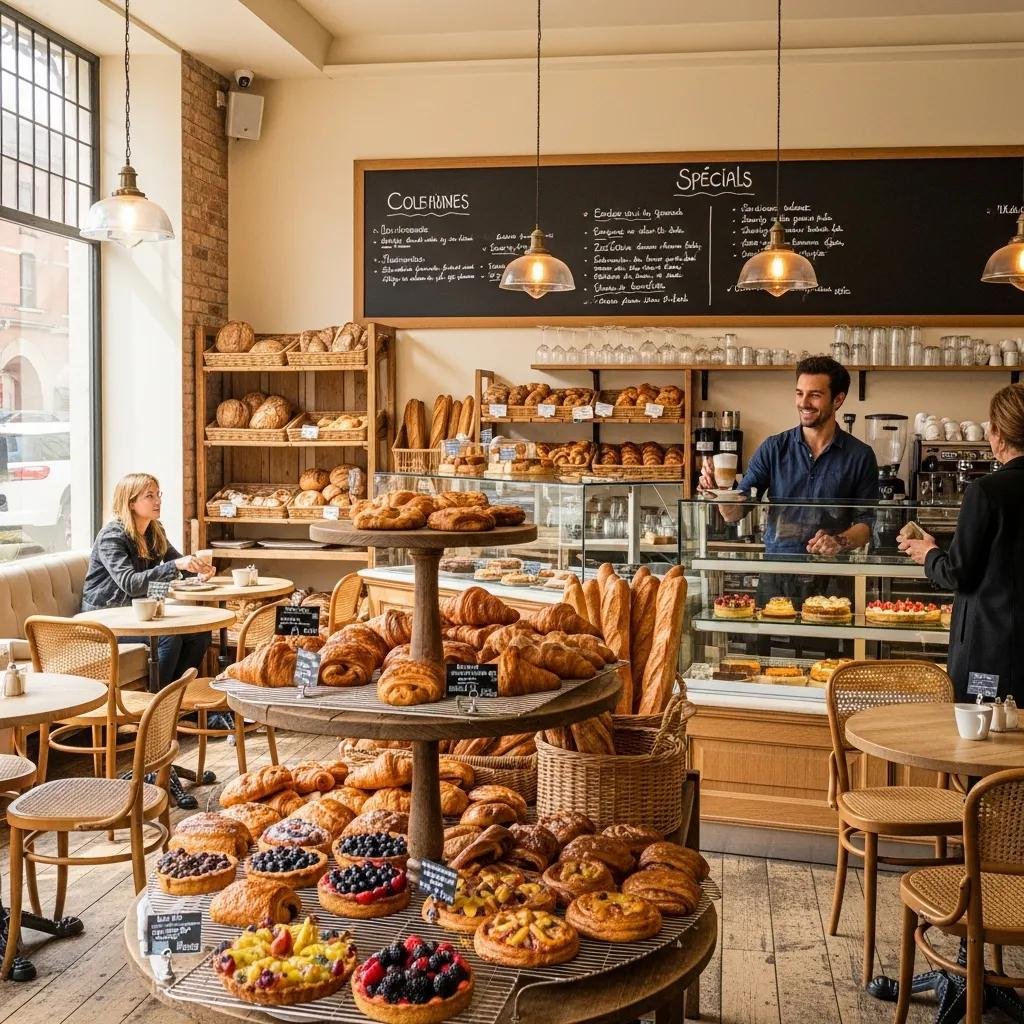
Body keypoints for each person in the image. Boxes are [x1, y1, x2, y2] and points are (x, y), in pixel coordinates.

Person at [699, 356, 880, 612]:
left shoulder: (860, 456)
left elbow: (867, 524)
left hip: (832, 582)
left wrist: (838, 541)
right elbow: (734, 513)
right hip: (776, 577)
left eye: (814, 395)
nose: (803, 403)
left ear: (838, 400)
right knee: (769, 651)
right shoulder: (773, 449)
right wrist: (719, 493)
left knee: (832, 653)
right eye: (799, 393)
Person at [899, 383, 1024, 701]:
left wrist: (928, 554)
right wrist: (938, 545)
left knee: (982, 742)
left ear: (995, 432)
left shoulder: (985, 491)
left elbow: (957, 574)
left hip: (992, 651)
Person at [82, 472, 215, 686]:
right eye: (150, 496)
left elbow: (178, 563)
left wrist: (200, 570)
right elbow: (131, 584)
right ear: (131, 502)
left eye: (158, 494)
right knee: (169, 639)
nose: (158, 501)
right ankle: (155, 708)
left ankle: (178, 702)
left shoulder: (154, 530)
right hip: (108, 618)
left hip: (141, 614)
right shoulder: (112, 536)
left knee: (200, 634)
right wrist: (176, 566)